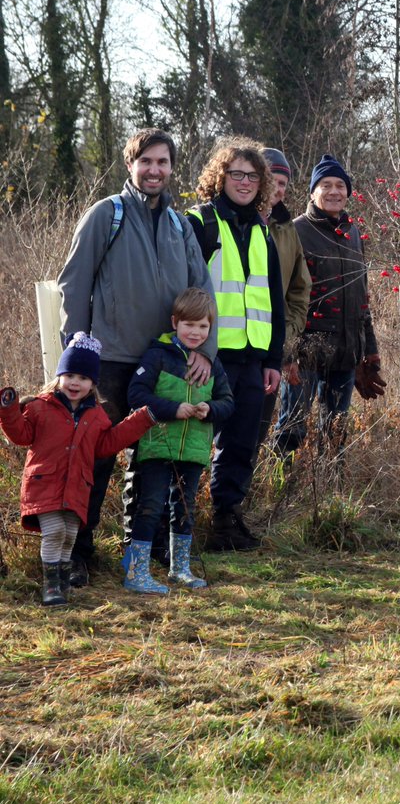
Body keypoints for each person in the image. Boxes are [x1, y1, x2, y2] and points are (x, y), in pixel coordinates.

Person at [57, 128, 215, 586]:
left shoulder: (180, 224)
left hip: (166, 362)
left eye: (163, 162)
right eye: (146, 161)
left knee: (152, 459)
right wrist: (77, 358)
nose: (155, 170)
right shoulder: (106, 215)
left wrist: (203, 350)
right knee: (96, 458)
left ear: (171, 168)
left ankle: (141, 554)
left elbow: (201, 289)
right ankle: (75, 556)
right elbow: (74, 285)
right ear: (131, 164)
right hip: (109, 360)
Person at [0, 334, 155, 606]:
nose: (75, 382)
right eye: (69, 374)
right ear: (59, 376)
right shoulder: (39, 407)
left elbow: (107, 444)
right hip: (44, 484)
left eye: (83, 378)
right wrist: (9, 409)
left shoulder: (96, 416)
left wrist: (140, 420)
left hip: (77, 487)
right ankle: (51, 587)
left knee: (70, 535)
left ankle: (61, 585)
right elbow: (21, 435)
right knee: (55, 532)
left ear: (93, 383)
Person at [186, 139, 285, 552]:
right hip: (209, 355)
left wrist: (273, 359)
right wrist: (192, 349)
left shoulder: (263, 229)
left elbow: (274, 301)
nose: (245, 182)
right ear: (220, 177)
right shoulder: (198, 223)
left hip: (252, 357)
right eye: (236, 174)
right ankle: (177, 527)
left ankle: (226, 521)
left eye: (253, 176)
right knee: (192, 440)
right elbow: (183, 292)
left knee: (242, 442)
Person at [275, 155, 384, 459]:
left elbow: (362, 298)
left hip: (346, 353)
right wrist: (288, 354)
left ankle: (329, 492)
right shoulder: (295, 231)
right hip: (306, 352)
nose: (334, 191)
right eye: (325, 185)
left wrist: (368, 350)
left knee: (335, 431)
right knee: (292, 427)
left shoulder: (353, 234)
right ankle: (277, 489)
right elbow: (283, 296)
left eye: (340, 185)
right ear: (312, 192)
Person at [126, 289, 236, 593]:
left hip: (194, 450)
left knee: (184, 508)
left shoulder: (213, 365)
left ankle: (180, 569)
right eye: (189, 325)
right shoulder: (157, 355)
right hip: (158, 445)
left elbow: (228, 401)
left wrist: (209, 410)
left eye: (203, 326)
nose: (195, 332)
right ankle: (137, 572)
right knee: (149, 506)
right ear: (175, 322)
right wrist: (172, 409)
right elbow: (136, 395)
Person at [256, 149, 311, 456]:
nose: (277, 190)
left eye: (283, 184)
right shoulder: (230, 221)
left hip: (273, 350)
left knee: (257, 433)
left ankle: (241, 502)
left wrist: (288, 338)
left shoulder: (288, 229)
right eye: (272, 180)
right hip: (232, 350)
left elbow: (300, 289)